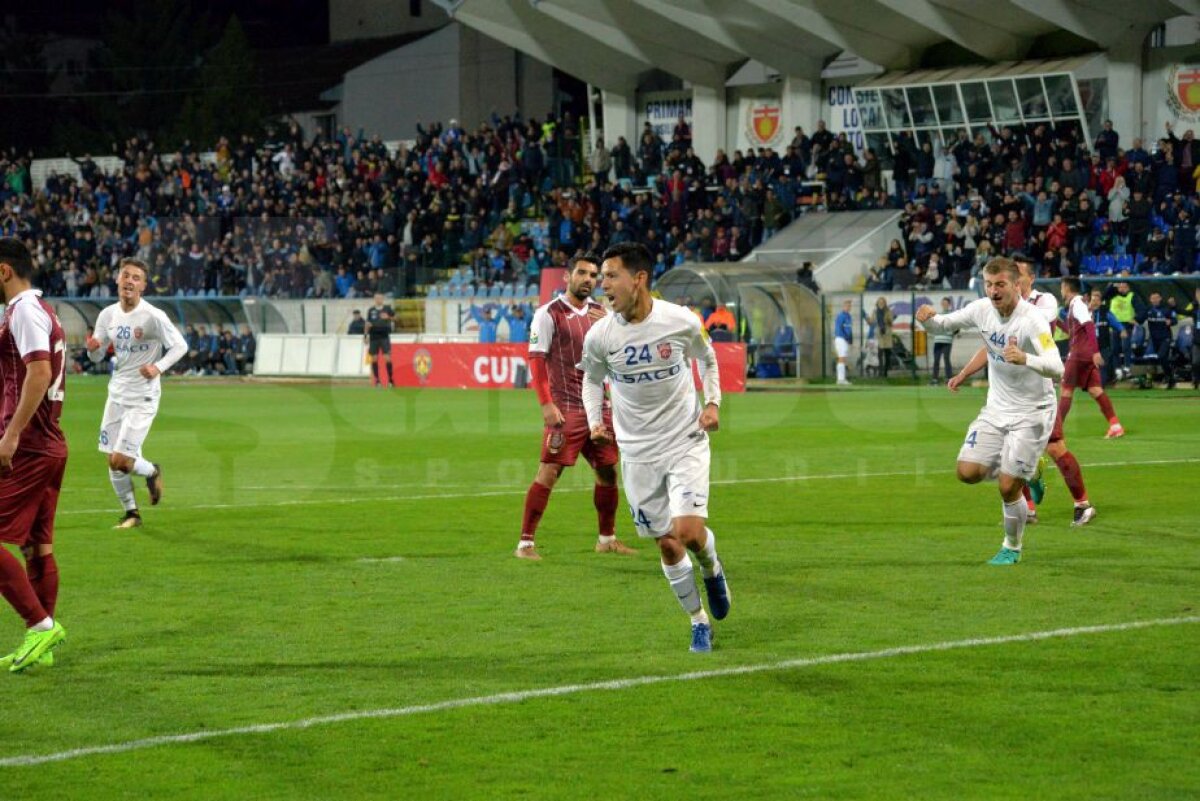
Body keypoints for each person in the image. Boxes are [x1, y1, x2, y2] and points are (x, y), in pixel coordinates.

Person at [580, 242, 730, 652]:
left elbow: (707, 356)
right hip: (637, 452)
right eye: (601, 277)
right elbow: (592, 380)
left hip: (684, 438)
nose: (602, 286)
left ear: (638, 278)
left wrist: (713, 403)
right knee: (666, 542)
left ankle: (712, 567)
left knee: (689, 533)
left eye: (611, 276)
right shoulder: (601, 334)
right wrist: (596, 421)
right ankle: (698, 620)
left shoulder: (679, 320)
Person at [917, 257, 1064, 564]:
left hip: (1032, 411)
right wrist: (927, 319)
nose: (994, 291)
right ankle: (1029, 470)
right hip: (997, 408)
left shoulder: (1032, 319)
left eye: (1000, 284)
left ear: (1016, 285)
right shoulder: (982, 309)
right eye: (989, 284)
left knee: (1008, 486)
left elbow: (1057, 367)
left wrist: (1026, 358)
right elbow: (943, 324)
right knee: (967, 472)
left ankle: (1011, 547)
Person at [515, 254, 636, 560]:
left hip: (599, 406)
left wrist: (613, 326)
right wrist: (546, 404)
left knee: (608, 472)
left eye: (593, 275)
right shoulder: (548, 313)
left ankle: (606, 539)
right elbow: (537, 360)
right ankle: (525, 544)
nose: (588, 279)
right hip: (566, 407)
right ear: (567, 277)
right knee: (549, 472)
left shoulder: (602, 312)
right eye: (581, 273)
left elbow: (618, 354)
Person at [0, 237, 69, 671]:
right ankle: (41, 643)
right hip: (50, 443)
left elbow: (40, 373)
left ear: (4, 271)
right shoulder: (40, 310)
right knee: (37, 547)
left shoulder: (24, 309)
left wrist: (11, 434)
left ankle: (41, 626)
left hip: (28, 446)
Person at [87, 258, 187, 528]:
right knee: (112, 461)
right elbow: (96, 357)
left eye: (136, 278)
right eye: (125, 275)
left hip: (142, 397)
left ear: (142, 286)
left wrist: (158, 367)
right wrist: (93, 347)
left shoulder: (153, 316)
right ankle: (132, 513)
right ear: (117, 280)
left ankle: (152, 470)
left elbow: (180, 346)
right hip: (116, 394)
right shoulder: (107, 315)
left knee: (121, 460)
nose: (129, 281)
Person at [1058, 278, 1124, 438]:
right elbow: (1074, 331)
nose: (1061, 291)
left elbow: (1089, 326)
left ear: (1067, 288)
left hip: (1078, 354)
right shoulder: (1077, 305)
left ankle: (1055, 430)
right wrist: (1057, 323)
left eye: (1061, 287)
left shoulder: (1078, 304)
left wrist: (1096, 352)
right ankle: (1115, 425)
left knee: (1066, 390)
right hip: (1085, 354)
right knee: (1096, 390)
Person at [365, 293, 394, 388]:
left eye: (380, 298)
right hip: (373, 337)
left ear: (383, 299)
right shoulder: (370, 310)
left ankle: (390, 380)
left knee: (387, 358)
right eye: (377, 298)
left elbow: (396, 318)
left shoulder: (387, 308)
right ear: (374, 299)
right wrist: (365, 335)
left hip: (384, 336)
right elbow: (367, 324)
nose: (378, 300)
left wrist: (388, 317)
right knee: (374, 358)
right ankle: (377, 381)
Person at [930, 297, 956, 385]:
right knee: (936, 360)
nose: (944, 304)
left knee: (946, 359)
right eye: (943, 303)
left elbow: (956, 327)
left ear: (949, 304)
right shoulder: (938, 315)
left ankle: (949, 378)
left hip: (947, 340)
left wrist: (952, 333)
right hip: (937, 340)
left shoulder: (952, 315)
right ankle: (935, 379)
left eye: (946, 303)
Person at [872, 297, 894, 378]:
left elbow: (891, 322)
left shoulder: (888, 311)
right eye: (879, 302)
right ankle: (880, 372)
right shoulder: (875, 312)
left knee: (887, 355)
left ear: (885, 303)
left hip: (887, 334)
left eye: (882, 302)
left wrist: (888, 320)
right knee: (879, 354)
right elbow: (872, 321)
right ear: (877, 303)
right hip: (879, 335)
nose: (881, 304)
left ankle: (885, 371)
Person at [833, 299, 853, 385]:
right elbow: (839, 328)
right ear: (843, 306)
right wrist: (846, 337)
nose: (848, 307)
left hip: (845, 339)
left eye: (849, 306)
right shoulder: (841, 316)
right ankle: (840, 379)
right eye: (847, 305)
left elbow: (849, 329)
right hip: (841, 338)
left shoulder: (849, 316)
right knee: (841, 358)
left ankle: (842, 379)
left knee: (843, 358)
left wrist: (850, 339)